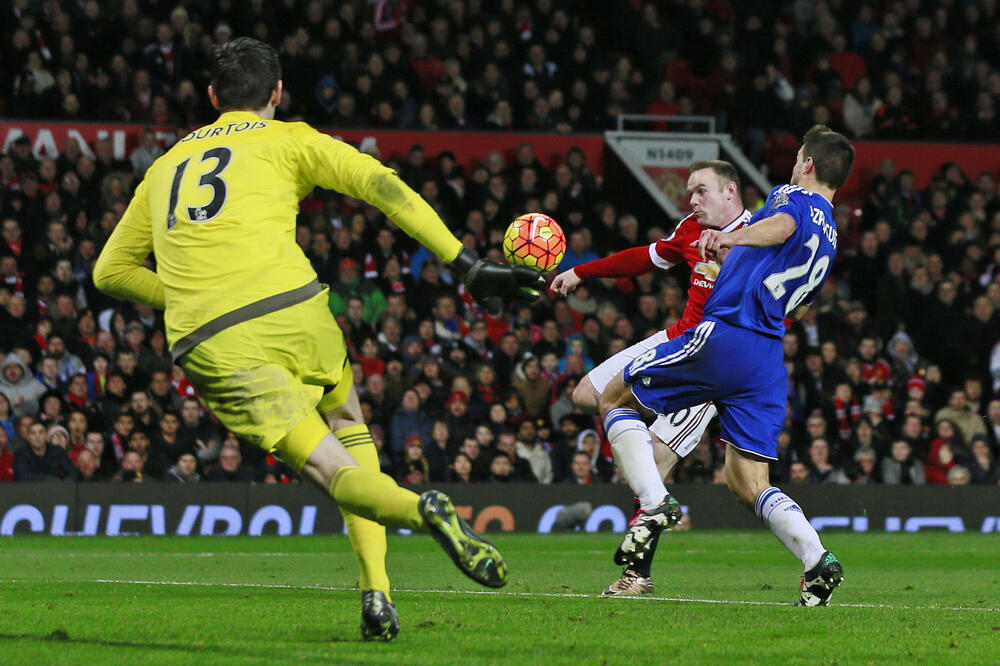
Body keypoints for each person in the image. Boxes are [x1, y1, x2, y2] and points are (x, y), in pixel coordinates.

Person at [92, 37, 543, 642]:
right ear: (276, 93)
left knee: (332, 472)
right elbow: (384, 189)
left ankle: (420, 509)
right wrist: (464, 264)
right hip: (295, 310)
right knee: (349, 423)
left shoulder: (165, 164)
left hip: (214, 339)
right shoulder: (290, 138)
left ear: (211, 97)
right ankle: (376, 592)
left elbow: (109, 273)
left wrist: (192, 295)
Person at [598, 125, 854, 606]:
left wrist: (732, 243)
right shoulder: (833, 235)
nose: (794, 163)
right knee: (746, 481)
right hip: (766, 357)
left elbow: (782, 226)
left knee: (613, 396)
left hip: (728, 335)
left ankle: (653, 507)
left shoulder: (794, 198)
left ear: (810, 166)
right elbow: (800, 306)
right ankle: (817, 562)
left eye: (799, 156)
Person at [551, 160, 751, 595]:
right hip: (673, 339)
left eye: (701, 191)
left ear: (730, 191)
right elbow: (645, 258)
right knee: (588, 393)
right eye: (690, 192)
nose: (692, 200)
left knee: (654, 464)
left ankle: (637, 575)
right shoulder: (689, 230)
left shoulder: (760, 237)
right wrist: (581, 272)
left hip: (709, 363)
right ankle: (641, 461)